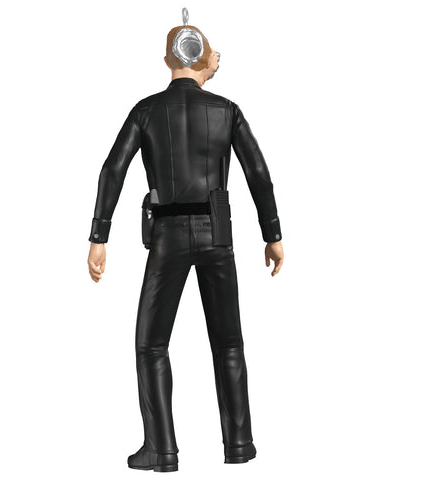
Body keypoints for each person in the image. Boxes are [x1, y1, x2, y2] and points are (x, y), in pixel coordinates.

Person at [87, 10, 284, 472]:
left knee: (151, 345)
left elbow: (112, 169)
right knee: (229, 344)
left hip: (168, 237)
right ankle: (239, 445)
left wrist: (99, 236)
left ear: (167, 60)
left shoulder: (146, 111)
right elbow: (258, 172)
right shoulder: (227, 110)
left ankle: (161, 449)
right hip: (217, 233)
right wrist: (272, 233)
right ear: (204, 58)